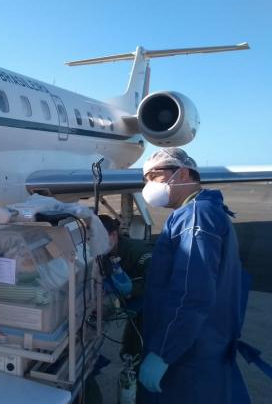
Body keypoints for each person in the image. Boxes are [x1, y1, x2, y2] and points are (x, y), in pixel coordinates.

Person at [138, 148, 250, 404]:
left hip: (187, 356)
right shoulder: (201, 213)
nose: (148, 185)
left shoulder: (195, 218)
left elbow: (190, 293)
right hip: (201, 344)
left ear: (182, 173)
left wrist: (163, 352)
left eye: (154, 176)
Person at [99, 214, 154, 362]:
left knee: (142, 345)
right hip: (132, 306)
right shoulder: (103, 254)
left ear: (114, 235)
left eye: (100, 238)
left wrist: (132, 290)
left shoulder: (139, 252)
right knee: (129, 347)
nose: (95, 243)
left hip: (151, 306)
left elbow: (159, 285)